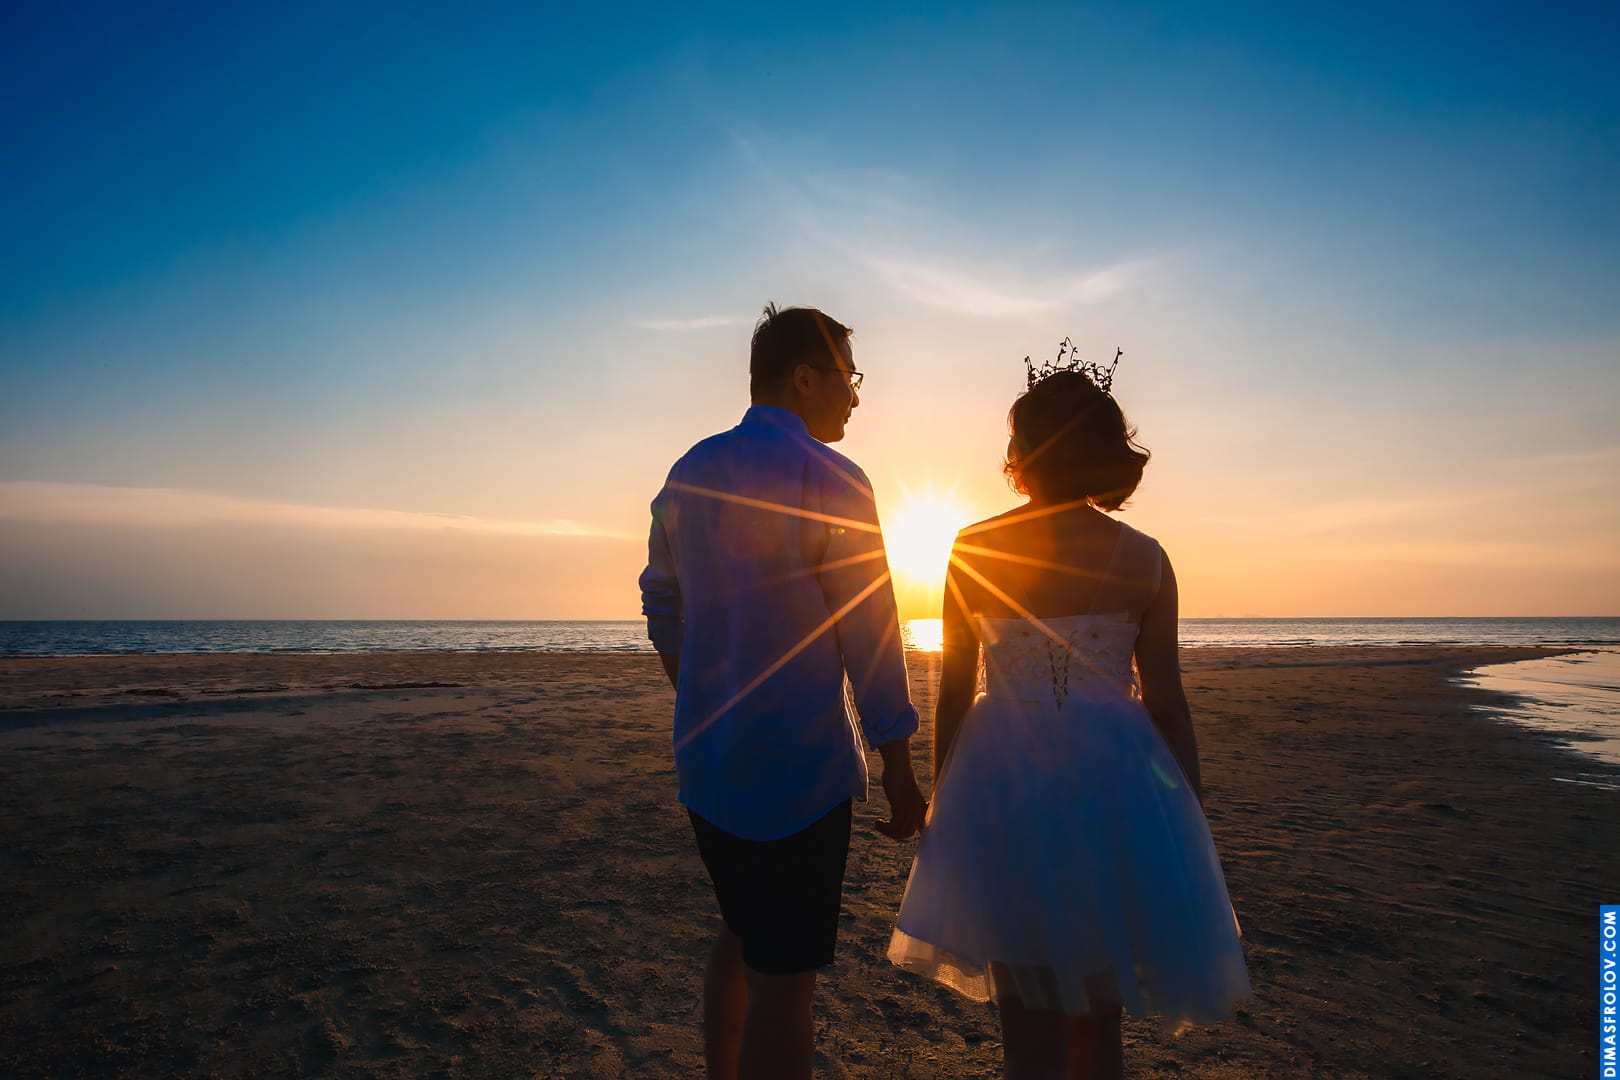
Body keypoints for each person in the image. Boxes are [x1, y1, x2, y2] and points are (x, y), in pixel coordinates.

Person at [888, 346, 1250, 1080]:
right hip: (1115, 775)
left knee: (1026, 1009)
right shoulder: (1147, 557)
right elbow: (1167, 700)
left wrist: (942, 799)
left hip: (1005, 772)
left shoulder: (974, 545)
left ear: (1026, 451)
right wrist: (1189, 810)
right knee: (1098, 1005)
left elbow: (955, 688)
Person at [639, 303, 928, 1080]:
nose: (857, 397)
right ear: (806, 377)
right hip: (800, 773)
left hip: (709, 765)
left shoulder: (690, 469)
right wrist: (896, 756)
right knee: (785, 982)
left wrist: (698, 692)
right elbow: (870, 627)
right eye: (849, 378)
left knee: (740, 933)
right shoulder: (833, 477)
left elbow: (660, 600)